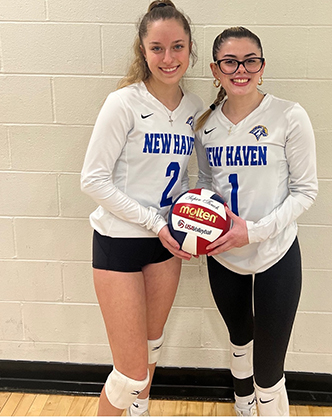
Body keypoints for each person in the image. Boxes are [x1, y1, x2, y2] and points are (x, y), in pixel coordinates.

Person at [80, 1, 203, 415]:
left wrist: (196, 220)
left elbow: (189, 178)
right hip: (121, 243)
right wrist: (155, 221)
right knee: (129, 374)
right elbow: (93, 179)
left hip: (166, 245)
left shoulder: (194, 108)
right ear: (143, 50)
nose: (168, 58)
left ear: (190, 49)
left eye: (177, 47)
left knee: (151, 351)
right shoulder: (123, 103)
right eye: (157, 48)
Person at [194, 27, 318, 416]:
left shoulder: (289, 115)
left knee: (269, 371)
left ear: (262, 67)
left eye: (250, 60)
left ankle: (265, 404)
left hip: (275, 251)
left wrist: (255, 230)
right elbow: (203, 183)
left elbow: (306, 190)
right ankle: (243, 403)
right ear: (216, 70)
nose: (240, 69)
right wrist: (192, 226)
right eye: (230, 61)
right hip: (224, 254)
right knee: (239, 339)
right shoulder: (205, 125)